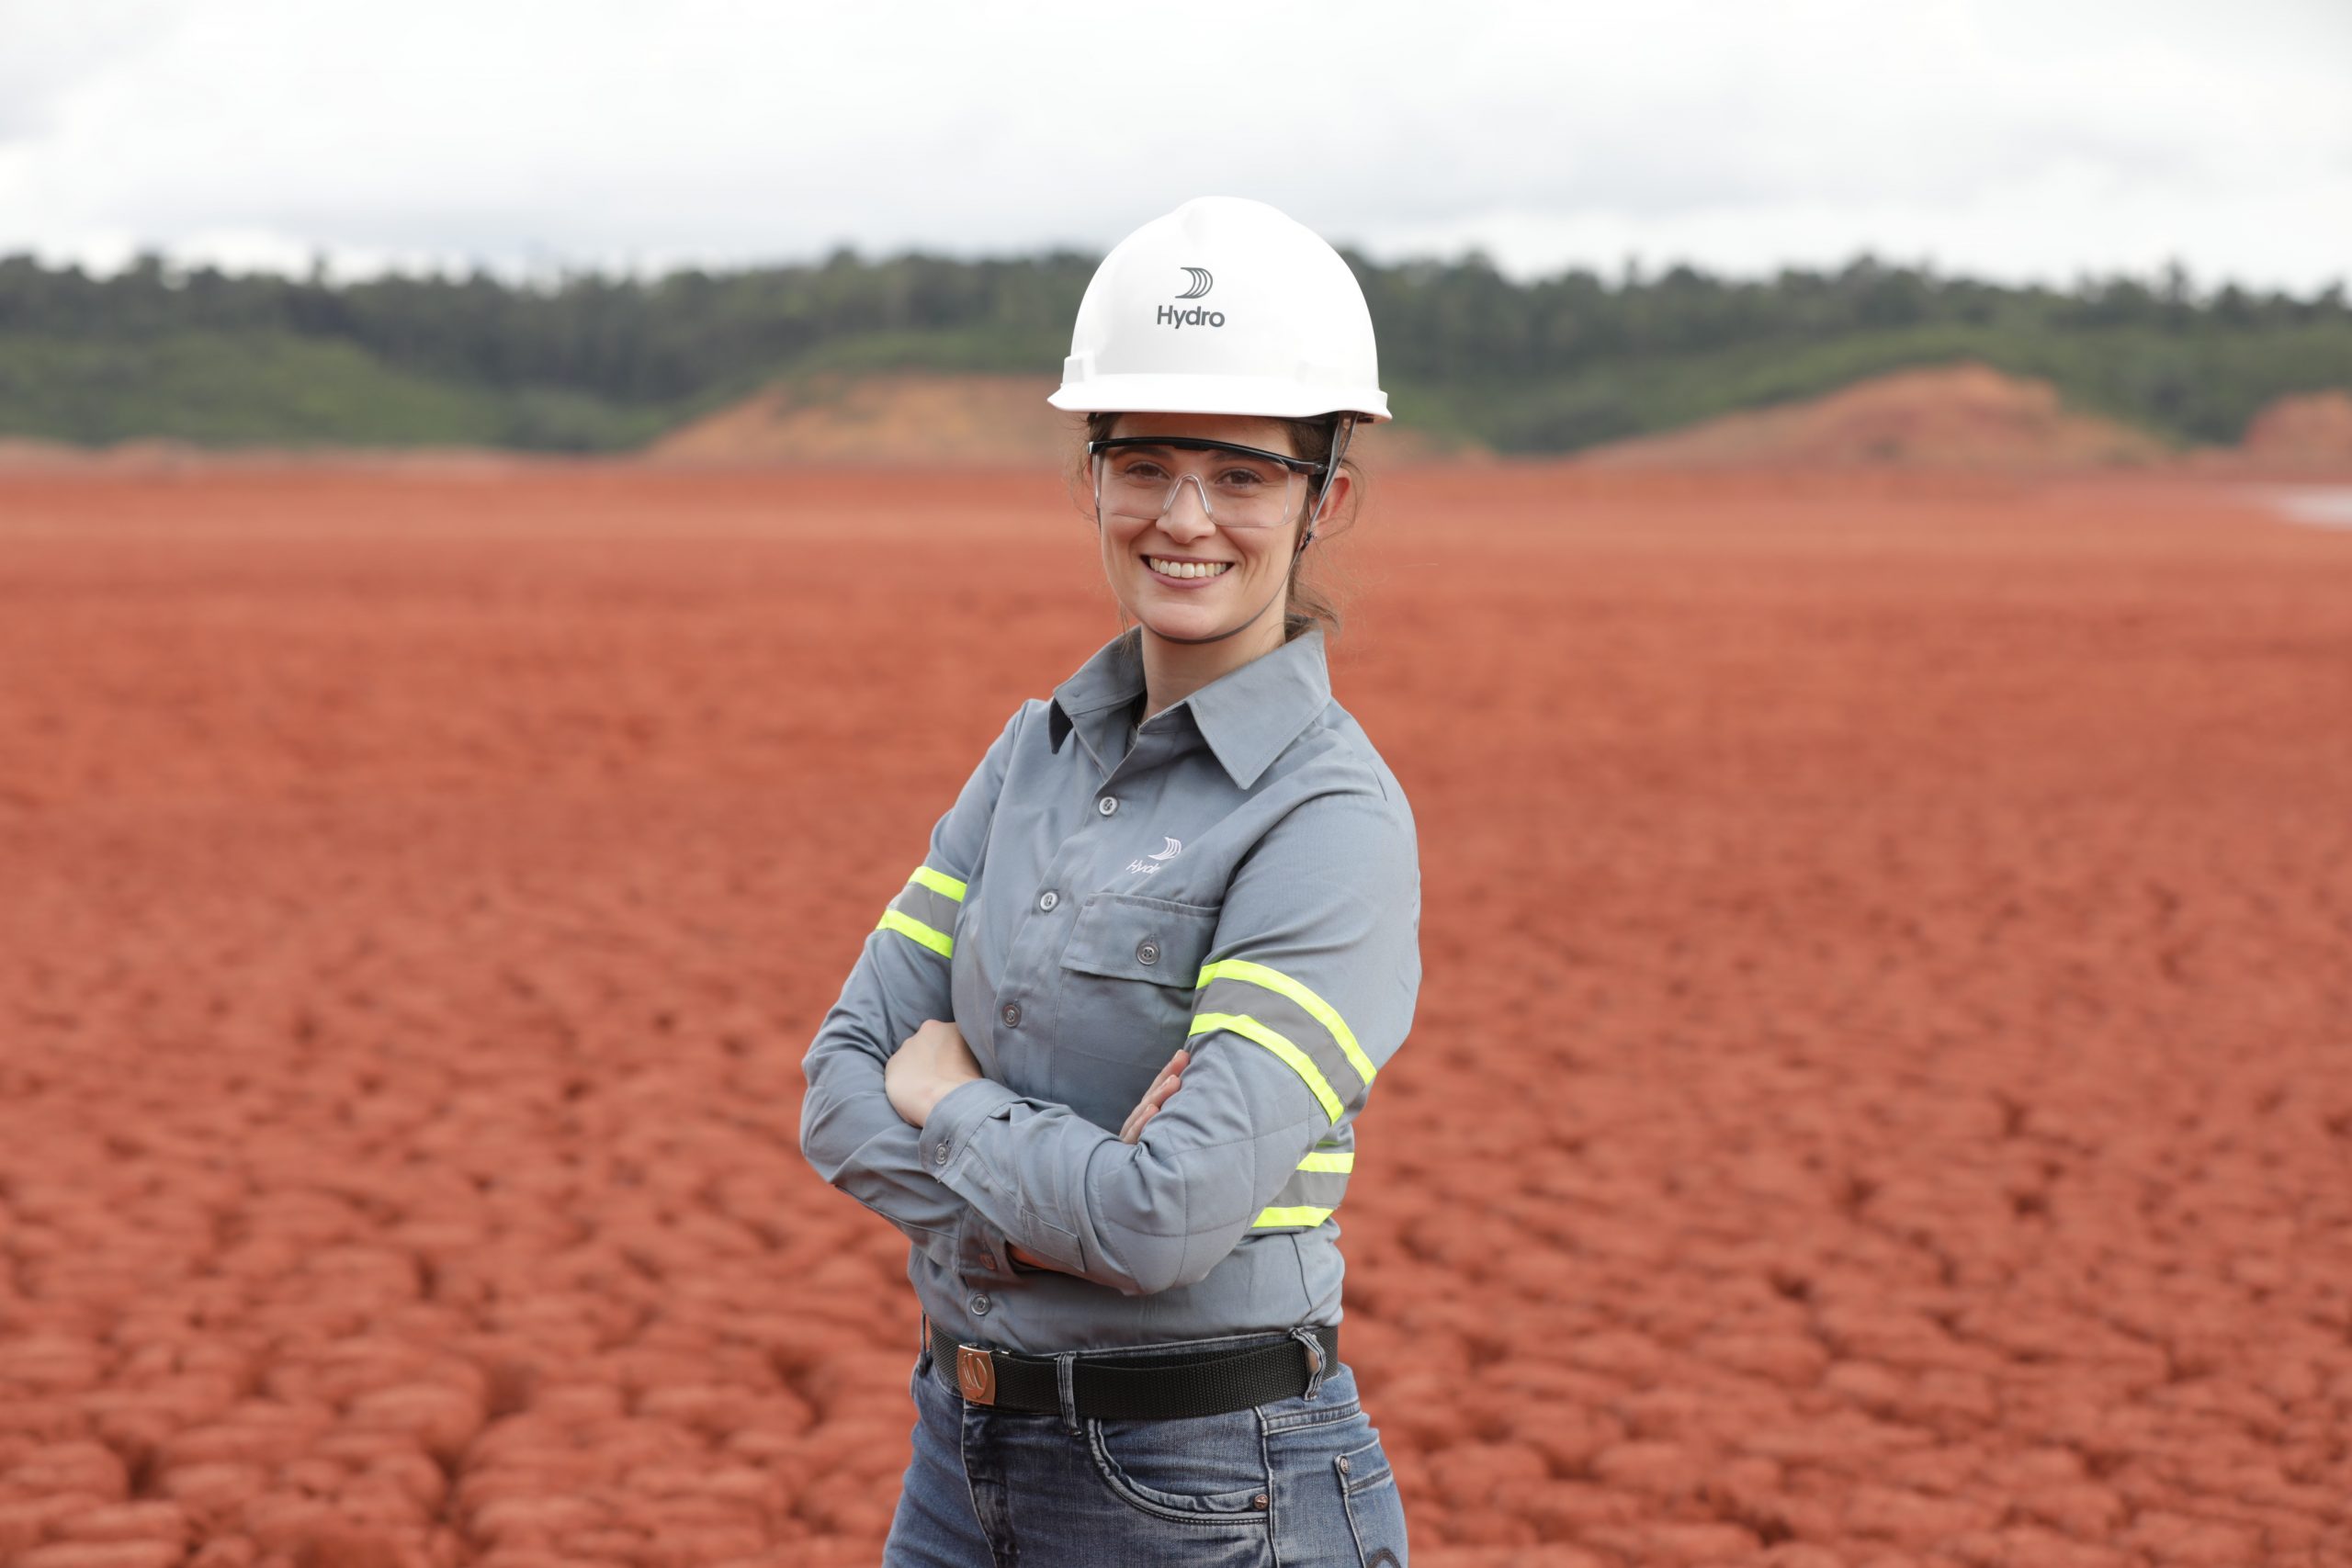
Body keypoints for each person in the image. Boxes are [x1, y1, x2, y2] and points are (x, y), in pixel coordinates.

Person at [799, 195, 1419, 1567]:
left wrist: (954, 1098)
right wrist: (1070, 1208)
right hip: (959, 1467)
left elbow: (1168, 1220)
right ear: (1091, 479)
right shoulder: (1033, 756)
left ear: (1327, 498)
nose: (1183, 518)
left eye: (1244, 476)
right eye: (1143, 464)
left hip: (1208, 1493)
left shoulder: (1328, 820)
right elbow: (840, 1087)